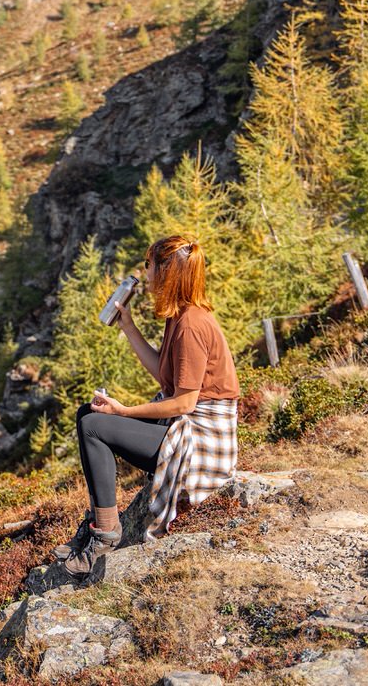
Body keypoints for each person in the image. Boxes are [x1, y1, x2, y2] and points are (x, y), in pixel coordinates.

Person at [55, 234, 241, 578]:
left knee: (95, 425)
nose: (146, 273)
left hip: (201, 441)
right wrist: (128, 327)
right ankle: (100, 523)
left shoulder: (192, 325)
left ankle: (106, 533)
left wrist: (124, 412)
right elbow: (165, 377)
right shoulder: (181, 317)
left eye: (150, 265)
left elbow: (184, 402)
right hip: (186, 426)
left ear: (168, 272)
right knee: (89, 415)